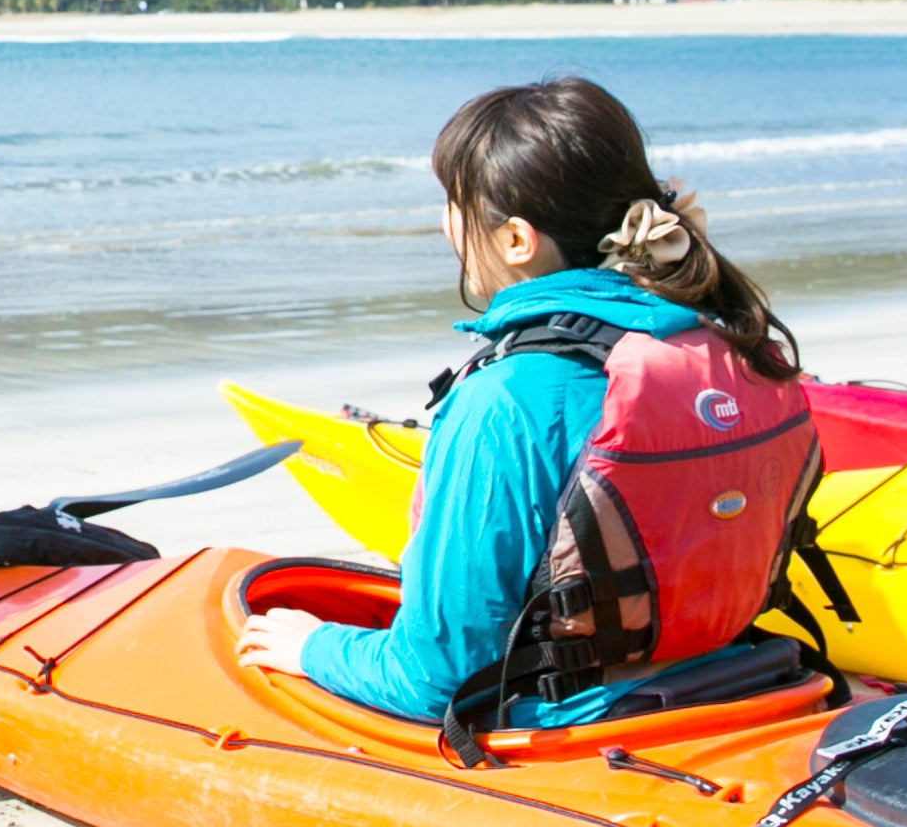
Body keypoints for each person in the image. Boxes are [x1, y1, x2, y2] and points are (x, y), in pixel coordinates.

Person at [236, 77, 815, 738]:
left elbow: (436, 681)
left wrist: (313, 648)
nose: (445, 225)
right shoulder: (730, 341)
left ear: (516, 240)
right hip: (742, 680)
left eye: (452, 203)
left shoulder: (507, 400)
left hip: (581, 729)